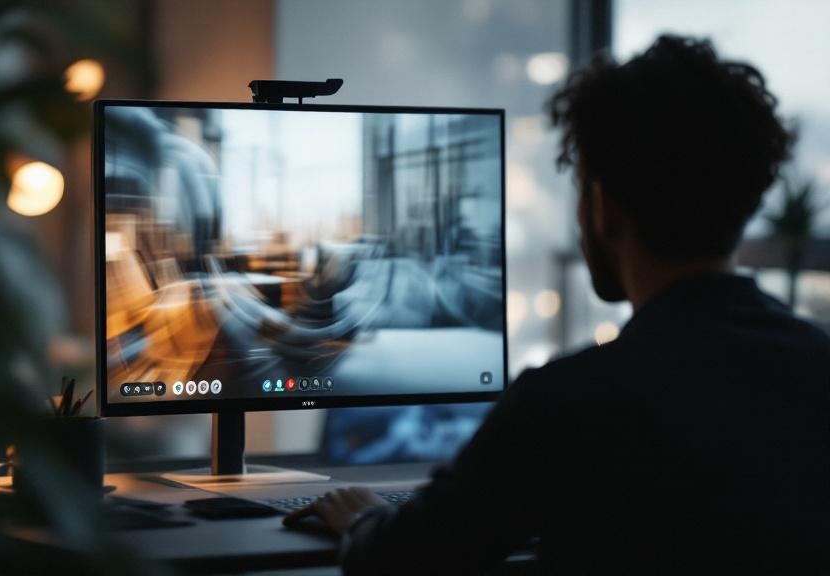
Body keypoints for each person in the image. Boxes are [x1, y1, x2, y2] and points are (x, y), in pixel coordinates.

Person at [284, 35, 830, 575]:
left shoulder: (570, 402)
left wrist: (362, 520)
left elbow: (404, 560)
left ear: (602, 206)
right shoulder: (817, 365)